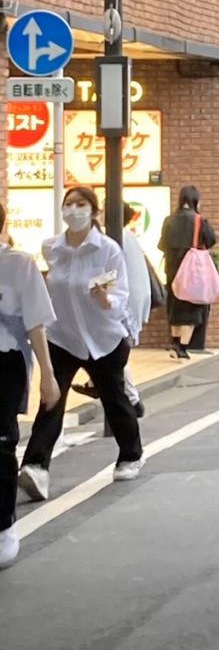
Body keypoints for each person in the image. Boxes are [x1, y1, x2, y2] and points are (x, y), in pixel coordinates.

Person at [20, 188, 145, 503]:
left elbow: (119, 291)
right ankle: (36, 467)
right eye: (69, 205)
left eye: (81, 205)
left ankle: (131, 454)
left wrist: (106, 298)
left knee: (114, 396)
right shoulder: (52, 248)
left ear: (94, 212)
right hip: (62, 335)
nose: (74, 210)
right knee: (52, 398)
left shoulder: (107, 249)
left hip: (103, 337)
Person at [0, 202, 59, 569]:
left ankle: (4, 528)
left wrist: (49, 376)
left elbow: (36, 322)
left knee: (2, 443)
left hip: (5, 362)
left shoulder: (19, 264)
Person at [73, 202, 151, 415]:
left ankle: (132, 401)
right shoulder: (128, 237)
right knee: (110, 349)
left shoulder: (113, 241)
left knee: (112, 347)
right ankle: (114, 392)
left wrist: (85, 285)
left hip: (118, 303)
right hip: (129, 300)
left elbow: (112, 276)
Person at [159, 186, 219, 359]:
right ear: (196, 201)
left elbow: (162, 245)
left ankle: (175, 343)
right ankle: (182, 347)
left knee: (175, 309)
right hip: (192, 273)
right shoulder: (199, 220)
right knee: (190, 311)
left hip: (172, 271)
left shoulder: (168, 220)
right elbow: (211, 240)